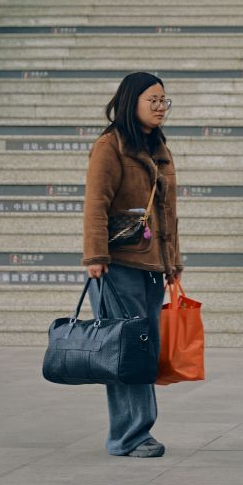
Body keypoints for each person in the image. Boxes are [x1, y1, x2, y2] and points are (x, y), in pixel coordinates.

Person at [83, 72, 183, 457]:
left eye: (164, 101)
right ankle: (130, 436)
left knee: (144, 349)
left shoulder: (158, 146)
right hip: (117, 265)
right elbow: (96, 204)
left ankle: (136, 432)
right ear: (131, 102)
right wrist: (95, 256)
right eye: (152, 100)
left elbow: (167, 212)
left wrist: (172, 261)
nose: (160, 107)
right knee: (126, 351)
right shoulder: (111, 145)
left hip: (151, 266)